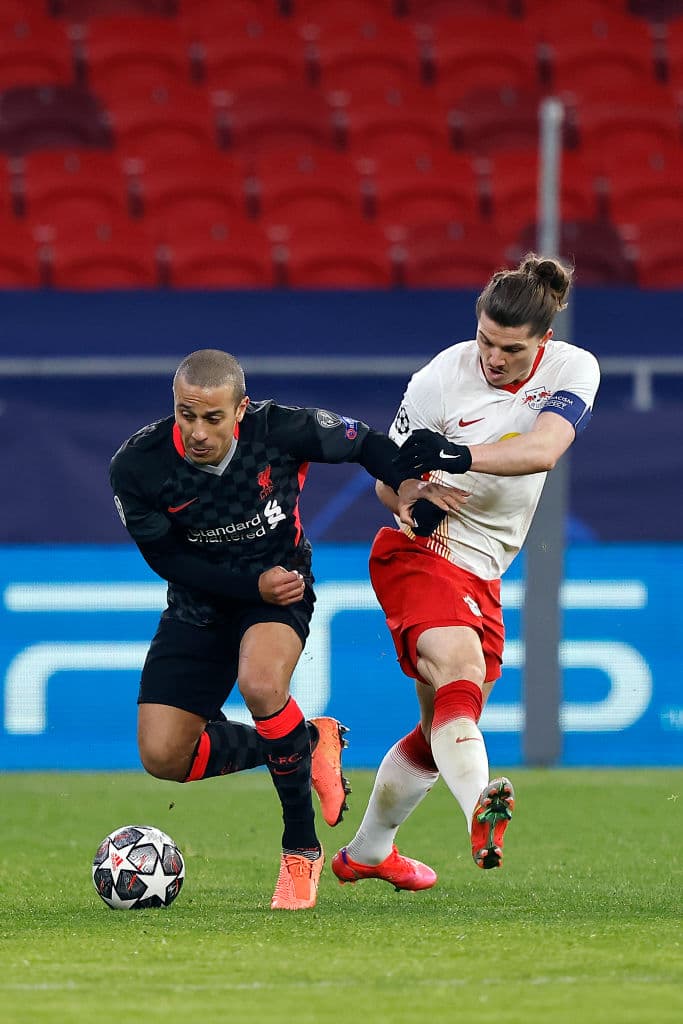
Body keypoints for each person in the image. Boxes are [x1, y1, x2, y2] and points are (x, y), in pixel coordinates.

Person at [109, 348, 459, 911]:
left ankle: (301, 850)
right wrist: (252, 588)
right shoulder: (139, 465)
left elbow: (365, 441)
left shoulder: (280, 430)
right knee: (163, 756)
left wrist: (406, 482)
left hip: (282, 592)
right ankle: (307, 740)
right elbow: (168, 560)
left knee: (262, 684)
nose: (197, 431)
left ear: (240, 409)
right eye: (185, 414)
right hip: (200, 605)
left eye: (212, 418)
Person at [332, 253, 601, 891]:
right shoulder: (438, 380)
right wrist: (410, 496)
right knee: (462, 670)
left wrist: (454, 453)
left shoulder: (573, 368)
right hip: (422, 553)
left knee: (441, 727)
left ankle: (368, 852)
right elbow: (386, 489)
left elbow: (544, 449)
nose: (493, 357)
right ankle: (481, 804)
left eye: (509, 347)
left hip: (482, 571)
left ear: (544, 342)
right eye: (485, 339)